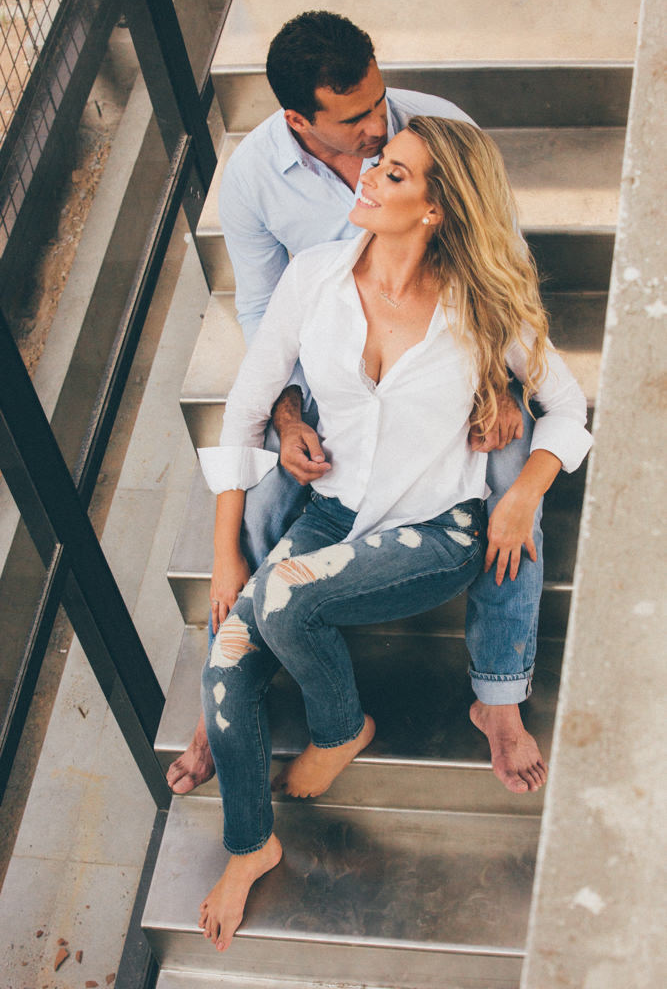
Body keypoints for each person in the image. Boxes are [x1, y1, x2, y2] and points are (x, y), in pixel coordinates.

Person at [195, 117, 592, 951]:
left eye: (395, 173)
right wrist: (225, 550)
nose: (369, 176)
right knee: (224, 662)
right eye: (378, 163)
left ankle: (342, 728)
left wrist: (521, 494)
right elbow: (245, 407)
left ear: (435, 209)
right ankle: (250, 844)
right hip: (332, 516)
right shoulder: (314, 277)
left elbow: (564, 407)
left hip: (438, 530)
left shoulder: (482, 304)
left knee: (284, 599)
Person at [167, 11, 541, 798]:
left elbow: (504, 265)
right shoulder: (252, 178)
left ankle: (499, 695)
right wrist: (287, 417)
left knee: (514, 482)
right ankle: (225, 691)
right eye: (355, 118)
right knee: (260, 506)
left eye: (378, 99)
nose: (378, 126)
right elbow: (262, 311)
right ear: (297, 120)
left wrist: (500, 385)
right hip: (328, 374)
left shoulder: (437, 134)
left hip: (449, 361)